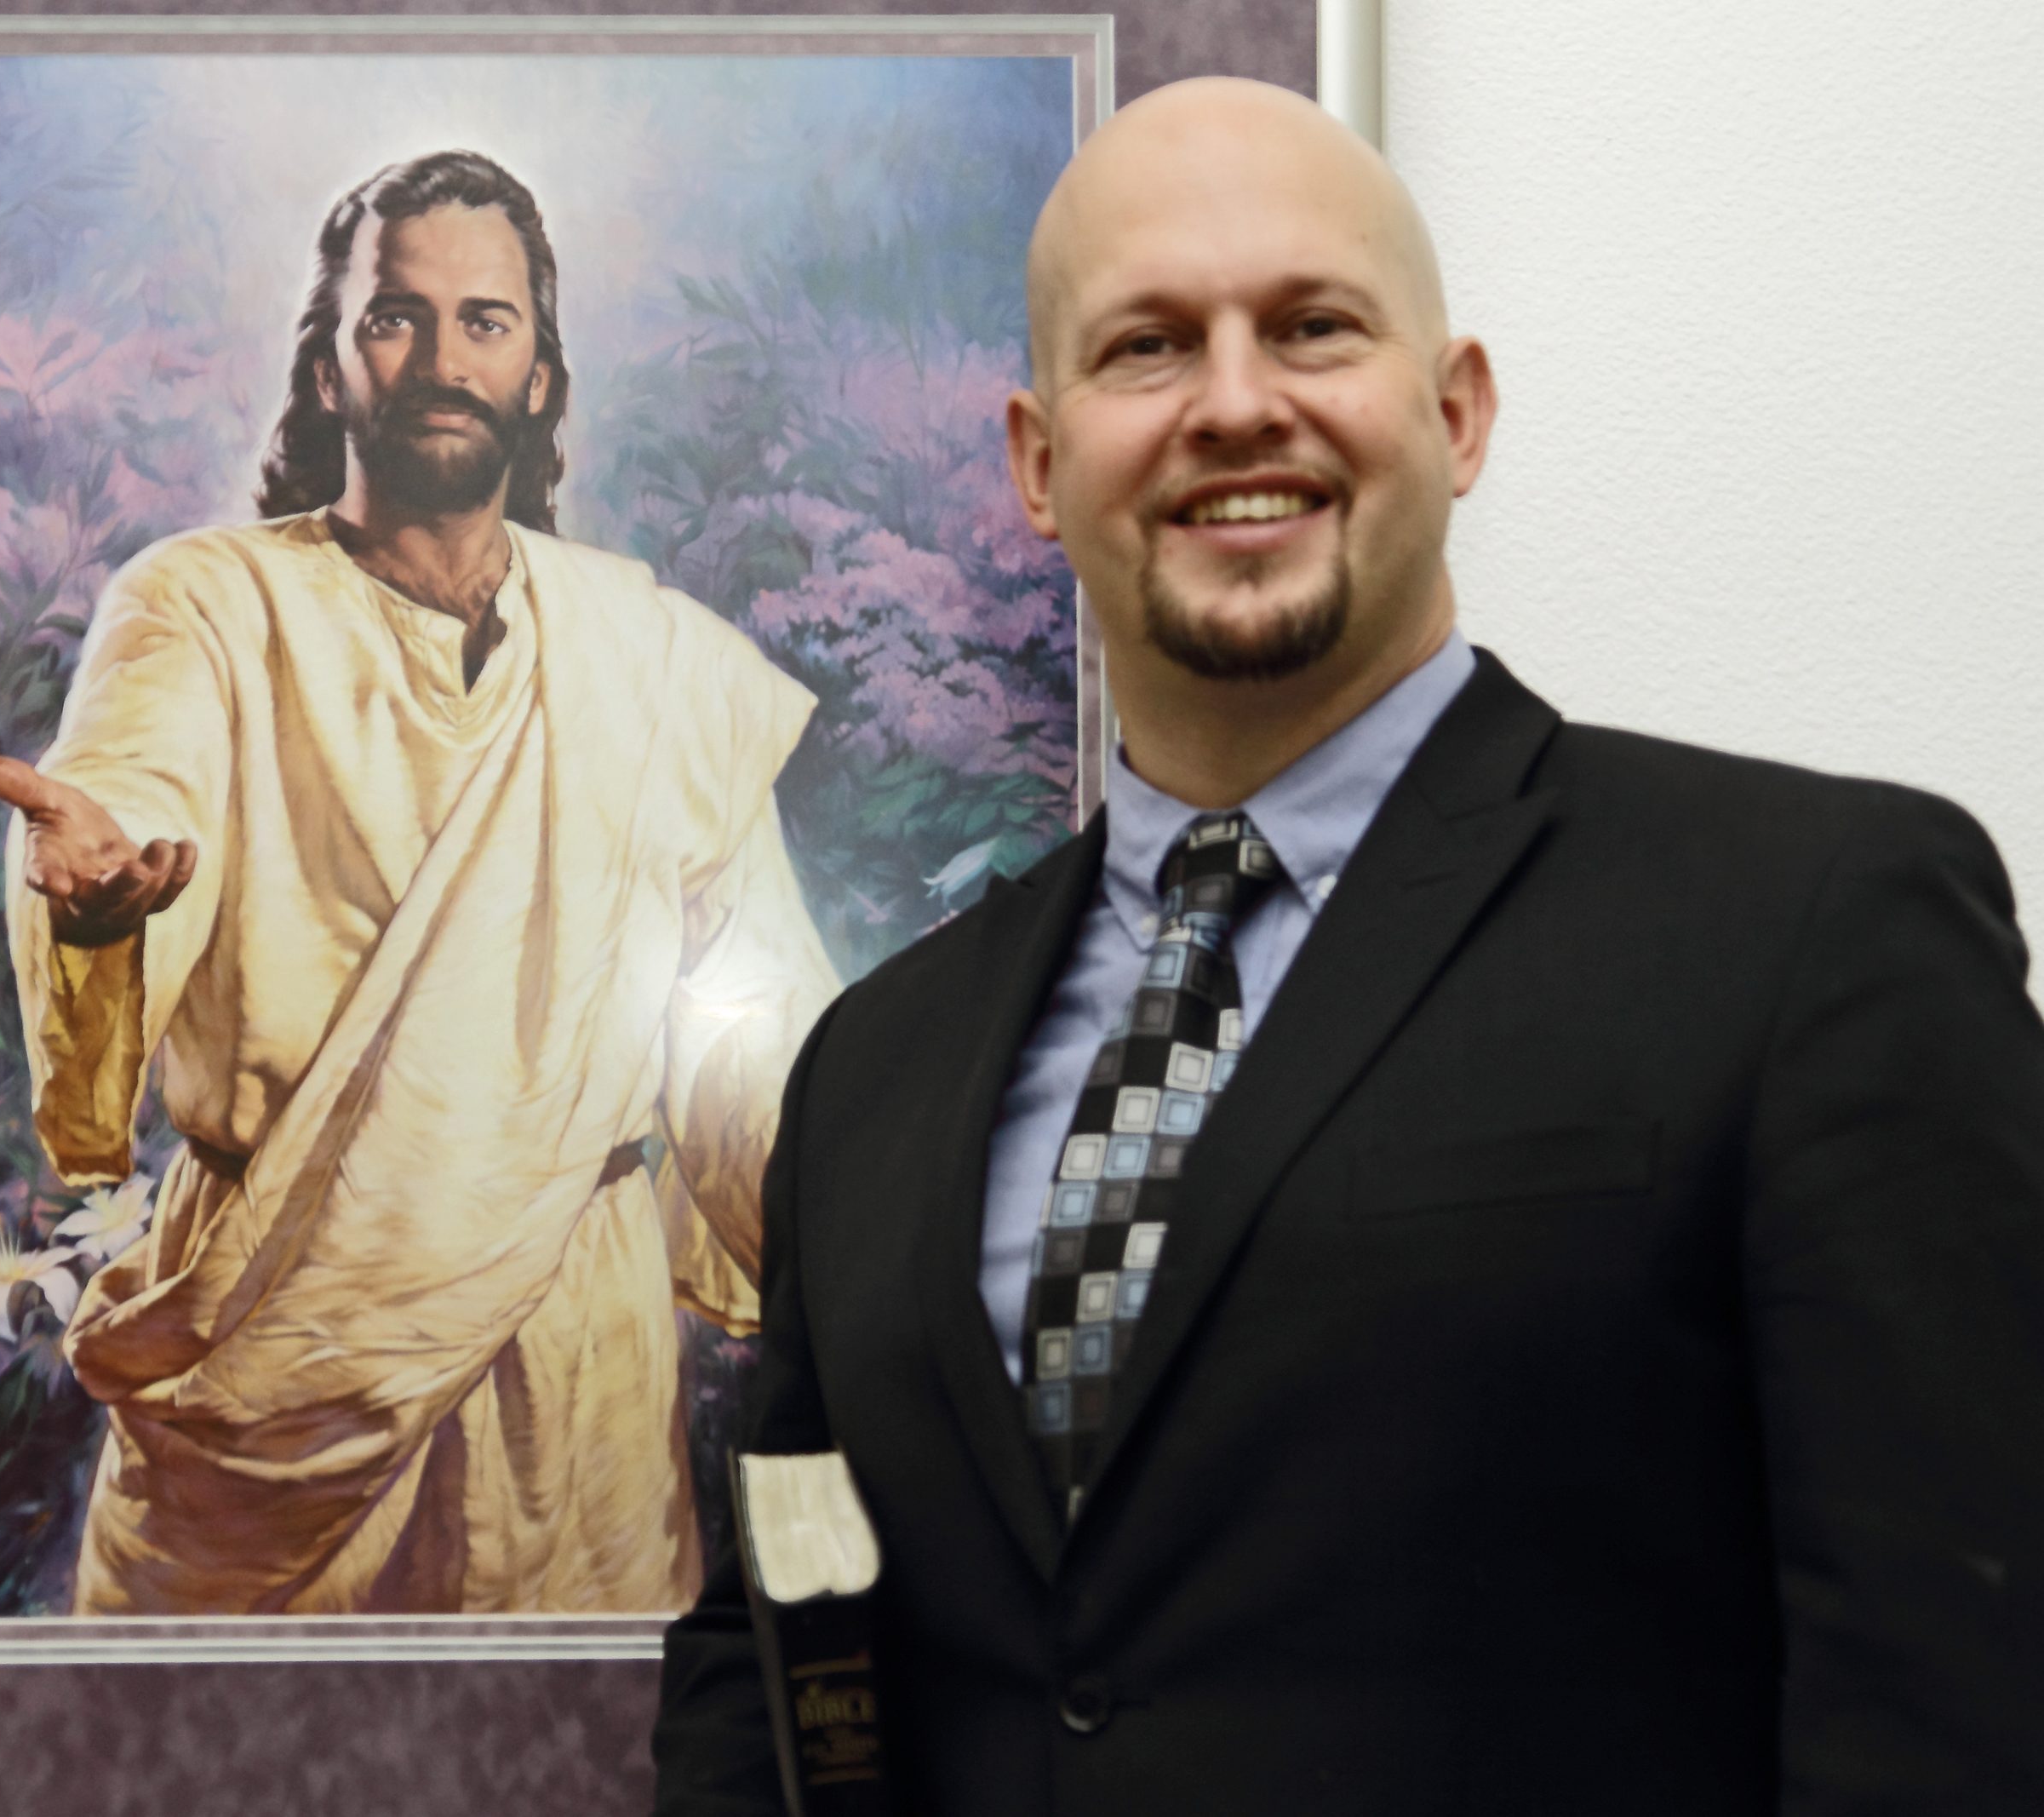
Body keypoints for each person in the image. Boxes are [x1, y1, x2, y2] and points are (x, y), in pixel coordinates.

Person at [652, 77, 2044, 1813]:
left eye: (1310, 326)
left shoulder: (1815, 924)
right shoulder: (871, 1066)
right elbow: (776, 1660)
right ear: (1033, 460)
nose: (1234, 403)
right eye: (1145, 347)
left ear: (1454, 412)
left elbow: (1959, 1701)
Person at [0, 151, 839, 1615]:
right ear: (328, 367)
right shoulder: (207, 604)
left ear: (543, 378)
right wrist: (103, 903)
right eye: (396, 318)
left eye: (485, 322)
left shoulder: (654, 661)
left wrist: (879, 1242)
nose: (442, 360)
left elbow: (755, 1041)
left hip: (575, 1357)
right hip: (281, 1329)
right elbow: (142, 787)